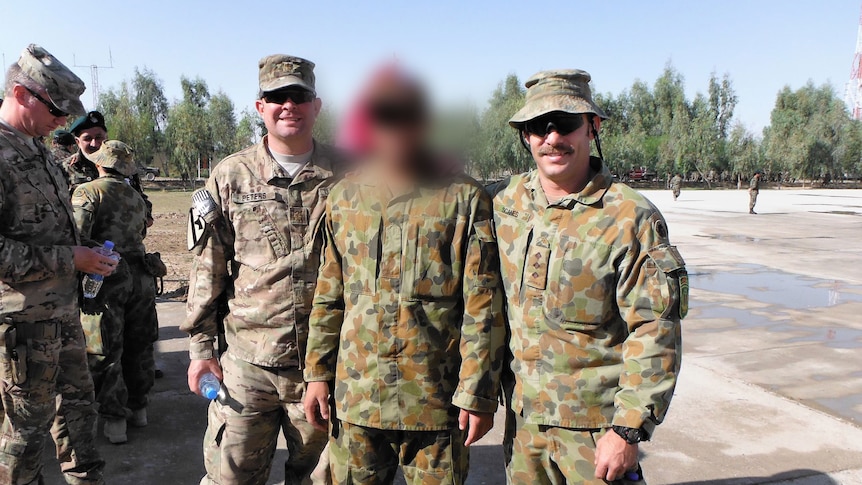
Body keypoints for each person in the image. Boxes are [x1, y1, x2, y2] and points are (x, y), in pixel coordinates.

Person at [303, 70, 504, 485]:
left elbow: (483, 308)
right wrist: (317, 374)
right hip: (358, 400)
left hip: (435, 402)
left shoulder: (464, 199)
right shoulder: (344, 197)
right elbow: (329, 296)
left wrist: (477, 393)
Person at [491, 70, 686, 485]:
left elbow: (654, 328)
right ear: (524, 135)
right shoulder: (506, 204)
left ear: (591, 127)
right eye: (536, 127)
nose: (551, 138)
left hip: (597, 434)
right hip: (525, 429)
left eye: (564, 123)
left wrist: (629, 428)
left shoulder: (630, 217)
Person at [183, 54, 344, 485]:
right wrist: (201, 350)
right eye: (276, 97)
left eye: (299, 95)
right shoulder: (230, 176)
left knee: (323, 479)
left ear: (317, 105)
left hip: (323, 366)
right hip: (246, 365)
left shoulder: (350, 175)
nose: (287, 105)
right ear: (260, 107)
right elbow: (207, 269)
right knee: (230, 477)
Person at [0, 43, 118, 485]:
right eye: (57, 108)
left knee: (78, 410)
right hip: (22, 326)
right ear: (21, 93)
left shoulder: (40, 152)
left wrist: (89, 251)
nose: (65, 121)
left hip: (63, 314)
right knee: (24, 433)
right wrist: (71, 257)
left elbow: (51, 228)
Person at [71, 140, 159, 445]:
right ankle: (140, 408)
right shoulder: (136, 196)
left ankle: (115, 418)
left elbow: (77, 236)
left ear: (99, 163)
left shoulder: (88, 192)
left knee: (105, 347)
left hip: (106, 277)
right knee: (140, 342)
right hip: (142, 276)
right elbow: (141, 232)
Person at [63, 110, 154, 227]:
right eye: (87, 138)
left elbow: (139, 197)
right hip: (82, 239)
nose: (94, 144)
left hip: (121, 239)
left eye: (99, 137)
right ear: (77, 141)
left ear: (107, 137)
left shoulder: (123, 164)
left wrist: (146, 216)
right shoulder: (64, 169)